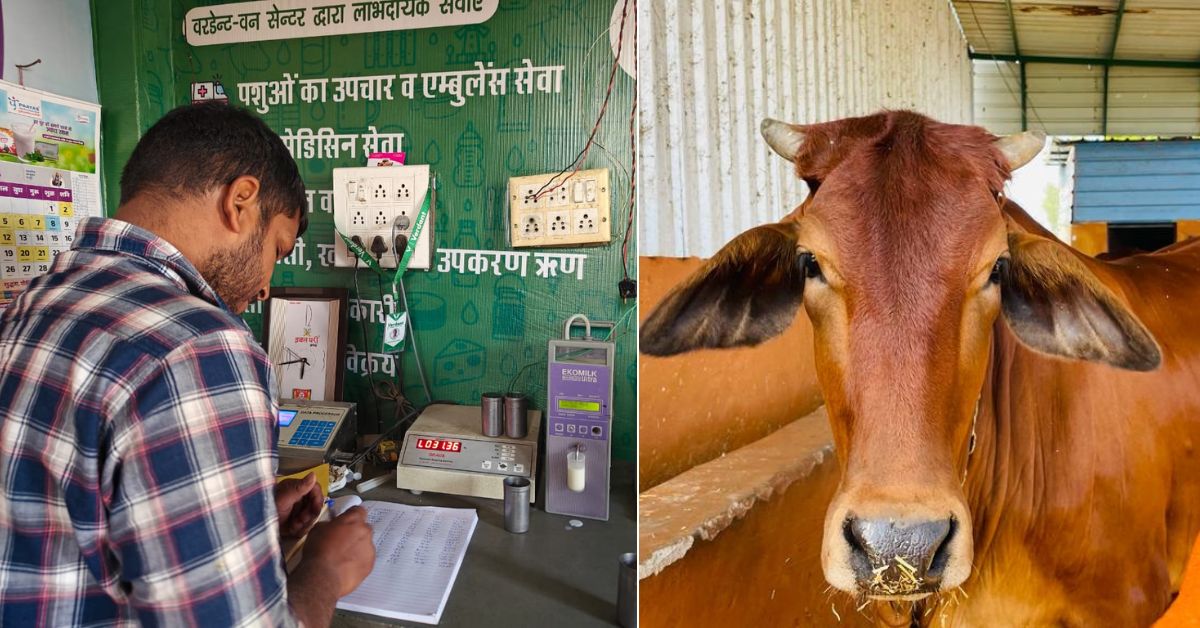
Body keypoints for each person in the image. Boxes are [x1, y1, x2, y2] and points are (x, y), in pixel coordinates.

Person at [0, 103, 375, 626]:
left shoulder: (33, 302)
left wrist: (243, 519)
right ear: (240, 201)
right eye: (276, 248)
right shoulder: (199, 348)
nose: (267, 286)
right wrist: (326, 570)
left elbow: (67, 519)